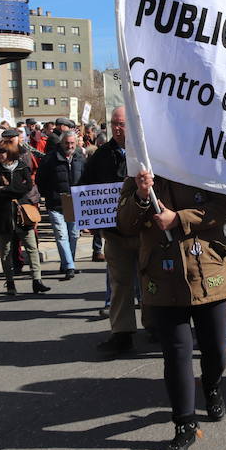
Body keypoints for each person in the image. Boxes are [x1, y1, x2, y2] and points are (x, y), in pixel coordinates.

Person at [116, 170, 226, 450]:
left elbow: (223, 209)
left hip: (208, 270)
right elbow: (124, 223)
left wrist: (179, 219)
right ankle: (184, 423)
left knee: (217, 350)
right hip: (163, 275)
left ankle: (212, 385)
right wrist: (141, 197)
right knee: (177, 354)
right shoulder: (138, 173)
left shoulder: (201, 162)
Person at [79, 107, 141, 353]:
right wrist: (88, 215)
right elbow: (86, 187)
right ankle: (122, 333)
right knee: (120, 283)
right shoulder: (100, 155)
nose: (117, 128)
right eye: (114, 123)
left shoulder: (147, 153)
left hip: (144, 230)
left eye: (122, 124)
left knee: (151, 281)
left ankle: (155, 327)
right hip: (114, 233)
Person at [0, 141, 47, 296]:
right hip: (3, 215)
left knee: (32, 247)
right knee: (5, 251)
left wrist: (6, 189)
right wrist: (12, 190)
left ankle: (37, 281)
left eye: (3, 151)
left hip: (22, 212)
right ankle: (10, 283)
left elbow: (27, 187)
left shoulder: (21, 167)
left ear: (11, 152)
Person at [36, 130, 84, 281]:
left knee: (73, 235)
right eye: (67, 143)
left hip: (73, 202)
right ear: (61, 143)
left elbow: (86, 178)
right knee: (61, 235)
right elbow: (40, 179)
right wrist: (49, 195)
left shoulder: (79, 158)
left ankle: (67, 262)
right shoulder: (50, 159)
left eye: (72, 143)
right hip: (56, 203)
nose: (69, 146)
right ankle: (70, 266)